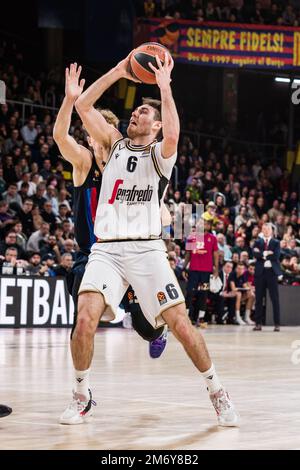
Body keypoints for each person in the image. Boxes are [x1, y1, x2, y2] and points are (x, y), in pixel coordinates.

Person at [60, 56, 239, 427]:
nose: (135, 114)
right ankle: (81, 395)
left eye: (143, 112)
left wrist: (163, 86)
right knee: (84, 320)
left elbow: (173, 134)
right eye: (136, 109)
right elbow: (82, 106)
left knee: (182, 325)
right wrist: (120, 71)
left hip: (147, 248)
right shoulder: (112, 145)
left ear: (155, 125)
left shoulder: (160, 155)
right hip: (107, 249)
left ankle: (217, 391)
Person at [53, 63, 170, 420]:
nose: (91, 141)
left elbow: (160, 209)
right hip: (94, 254)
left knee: (147, 327)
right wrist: (70, 101)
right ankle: (82, 392)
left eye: (95, 135)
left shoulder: (128, 163)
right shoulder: (85, 162)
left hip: (131, 251)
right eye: (88, 136)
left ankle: (155, 328)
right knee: (84, 320)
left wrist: (162, 215)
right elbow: (60, 137)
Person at [184, 219, 219, 326]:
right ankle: (186, 318)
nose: (204, 225)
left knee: (204, 294)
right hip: (193, 270)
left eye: (207, 224)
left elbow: (216, 254)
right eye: (202, 223)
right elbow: (188, 254)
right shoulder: (192, 237)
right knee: (190, 293)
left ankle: (201, 318)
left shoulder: (212, 238)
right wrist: (184, 268)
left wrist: (216, 268)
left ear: (209, 226)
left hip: (206, 271)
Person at [253, 223, 281, 331]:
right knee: (259, 299)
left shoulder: (276, 242)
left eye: (268, 229)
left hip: (272, 273)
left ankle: (277, 324)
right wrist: (266, 253)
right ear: (262, 230)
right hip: (260, 273)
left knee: (275, 299)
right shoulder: (257, 241)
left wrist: (261, 254)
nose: (266, 231)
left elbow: (276, 255)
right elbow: (254, 254)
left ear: (271, 230)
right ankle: (258, 324)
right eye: (264, 229)